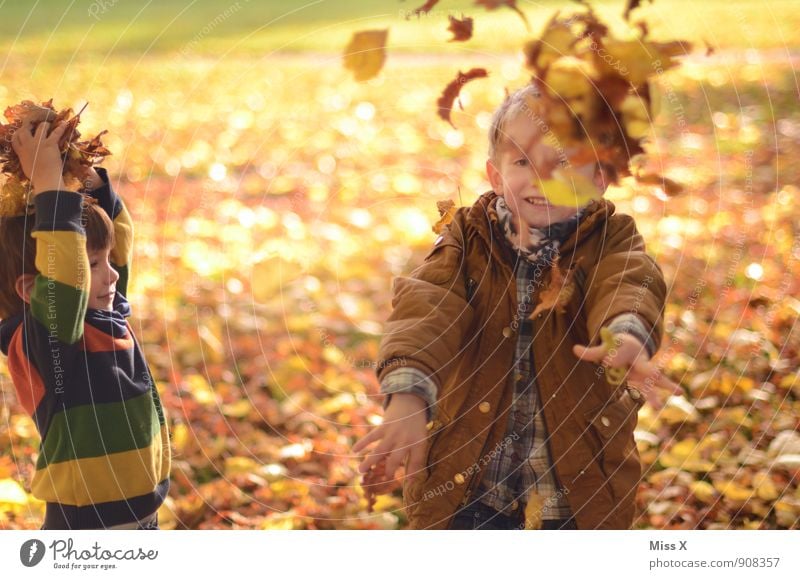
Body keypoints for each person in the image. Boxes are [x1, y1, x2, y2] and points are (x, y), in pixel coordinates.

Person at [353, 84, 677, 530]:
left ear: (601, 177)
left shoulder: (610, 239)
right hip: (468, 488)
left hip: (575, 492)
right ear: (496, 174)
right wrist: (408, 394)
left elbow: (628, 280)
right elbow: (427, 308)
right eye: (523, 161)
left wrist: (624, 332)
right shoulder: (467, 240)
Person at [0, 119, 170, 529]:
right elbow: (66, 277)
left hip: (142, 512)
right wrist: (46, 186)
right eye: (92, 264)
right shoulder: (50, 337)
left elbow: (119, 246)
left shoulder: (102, 313)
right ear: (32, 289)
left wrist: (85, 178)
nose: (112, 275)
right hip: (88, 524)